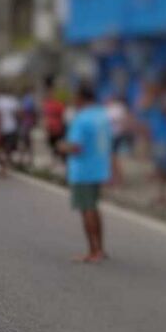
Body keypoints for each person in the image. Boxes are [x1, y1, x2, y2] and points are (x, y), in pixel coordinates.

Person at [56, 83, 113, 263]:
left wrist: (61, 146)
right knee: (94, 208)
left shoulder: (82, 119)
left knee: (86, 210)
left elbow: (75, 147)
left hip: (83, 171)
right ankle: (101, 249)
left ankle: (92, 251)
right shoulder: (102, 116)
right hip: (99, 168)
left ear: (81, 98)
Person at [139, 83, 166, 209]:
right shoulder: (152, 106)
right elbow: (142, 109)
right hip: (158, 140)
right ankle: (162, 195)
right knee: (161, 169)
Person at [0, 89, 21, 166]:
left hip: (11, 127)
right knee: (3, 147)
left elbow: (17, 114)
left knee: (8, 147)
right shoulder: (0, 100)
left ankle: (5, 163)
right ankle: (4, 162)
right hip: (5, 127)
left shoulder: (10, 100)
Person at [42, 88, 67, 167]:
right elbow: (46, 118)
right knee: (53, 145)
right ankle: (57, 160)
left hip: (57, 128)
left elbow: (63, 116)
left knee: (57, 145)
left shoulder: (57, 104)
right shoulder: (47, 105)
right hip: (52, 129)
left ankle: (60, 160)